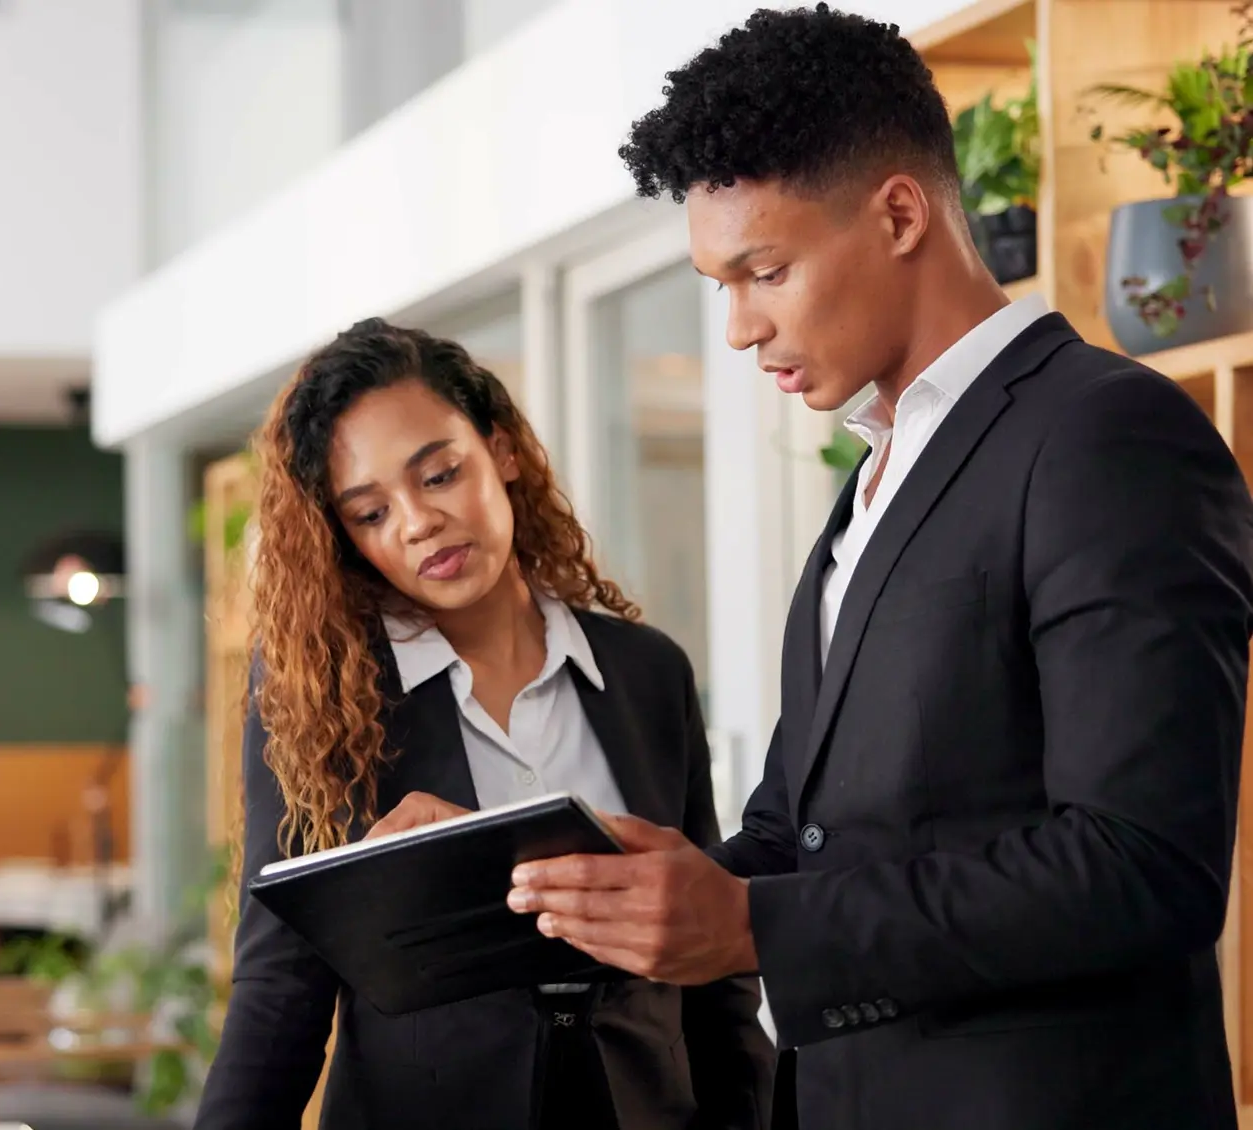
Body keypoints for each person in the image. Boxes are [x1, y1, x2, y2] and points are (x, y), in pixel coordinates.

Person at [500, 6, 1253, 1130]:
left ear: (900, 212)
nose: (738, 328)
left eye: (765, 270)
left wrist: (753, 925)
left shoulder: (1105, 435)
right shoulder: (870, 479)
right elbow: (805, 833)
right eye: (719, 284)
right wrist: (595, 878)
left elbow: (1142, 864)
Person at [193, 318, 775, 1130]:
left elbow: (712, 972)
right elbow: (282, 984)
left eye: (439, 474)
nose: (417, 523)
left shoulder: (646, 673)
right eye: (370, 513)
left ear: (500, 450)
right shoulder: (323, 700)